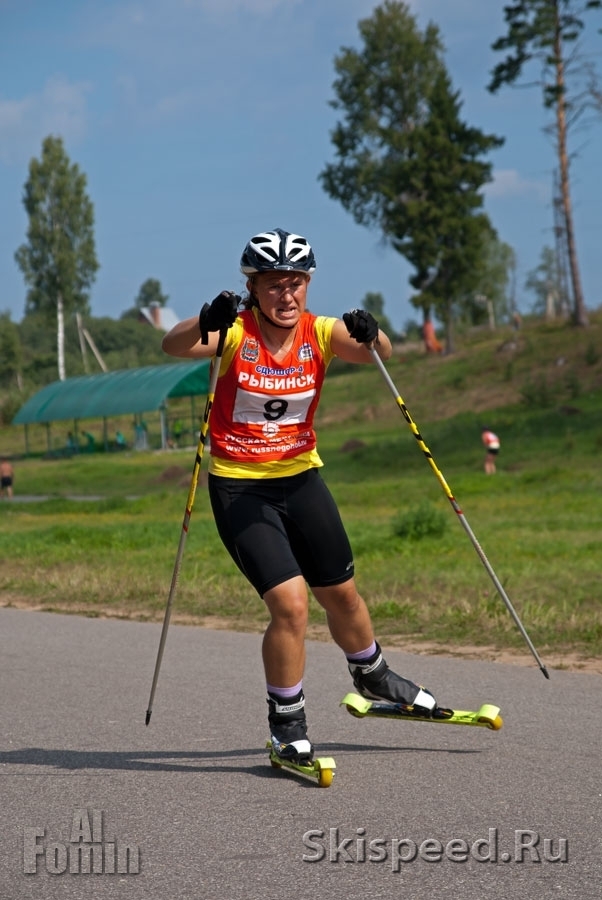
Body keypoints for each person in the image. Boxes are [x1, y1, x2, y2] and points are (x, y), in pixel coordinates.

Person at [162, 227, 442, 764]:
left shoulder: (320, 332)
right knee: (290, 606)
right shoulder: (235, 333)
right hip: (240, 487)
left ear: (307, 284)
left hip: (301, 479)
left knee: (341, 593)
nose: (285, 295)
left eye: (295, 283)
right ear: (254, 287)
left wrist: (373, 331)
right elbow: (172, 345)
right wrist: (204, 319)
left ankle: (374, 675)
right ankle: (286, 726)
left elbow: (380, 354)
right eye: (273, 285)